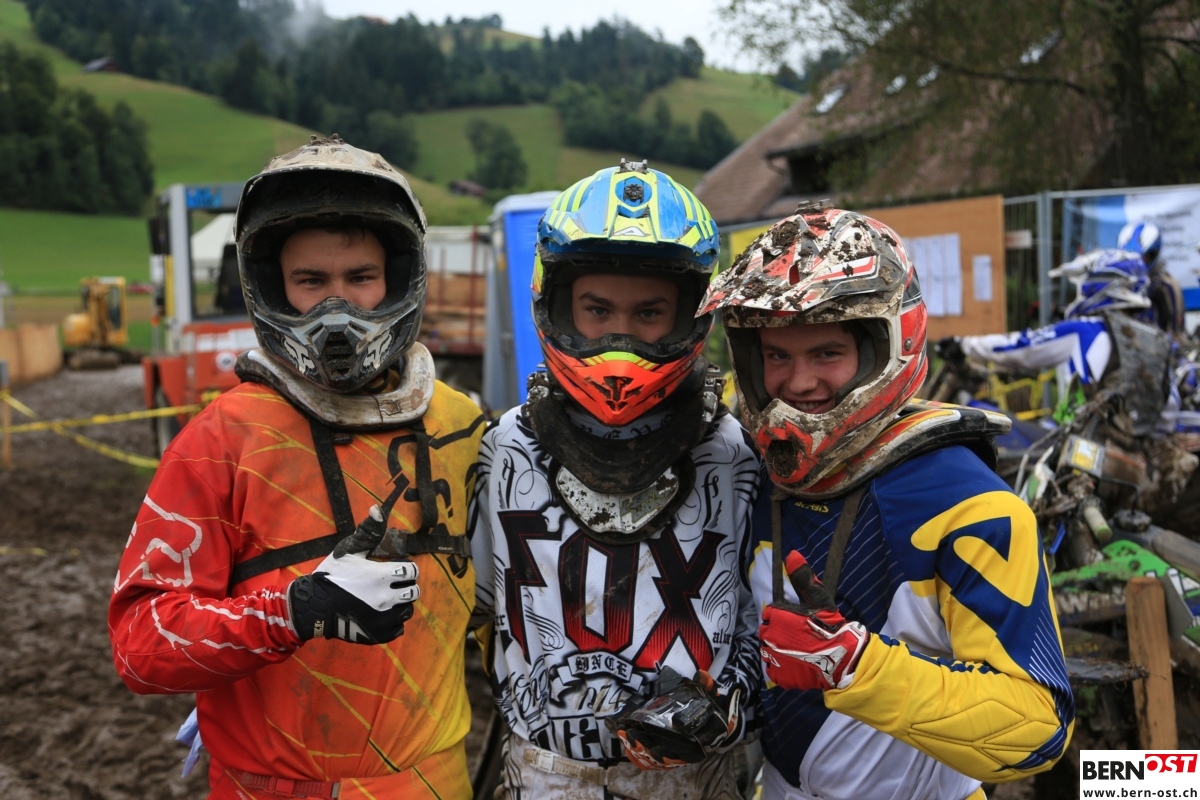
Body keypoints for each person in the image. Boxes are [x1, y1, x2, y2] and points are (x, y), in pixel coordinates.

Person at [108, 135, 486, 800]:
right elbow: (140, 645)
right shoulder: (220, 441)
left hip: (432, 783)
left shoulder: (461, 424)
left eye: (360, 278)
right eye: (311, 281)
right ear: (272, 286)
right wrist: (288, 613)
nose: (338, 307)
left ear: (398, 277)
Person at [698, 202, 1074, 800]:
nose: (798, 382)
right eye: (776, 355)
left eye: (827, 353)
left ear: (887, 345)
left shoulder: (967, 504)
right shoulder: (758, 476)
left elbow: (1040, 725)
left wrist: (859, 669)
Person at [468, 160, 762, 799]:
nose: (621, 337)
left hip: (693, 775)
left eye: (650, 312)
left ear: (690, 315)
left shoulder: (732, 452)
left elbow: (761, 621)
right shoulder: (506, 448)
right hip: (543, 773)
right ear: (557, 304)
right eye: (597, 310)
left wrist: (729, 708)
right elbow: (471, 613)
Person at [1117, 221, 1186, 337]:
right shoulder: (1114, 282)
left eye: (1143, 257)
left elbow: (1176, 334)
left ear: (1153, 255)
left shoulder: (1166, 286)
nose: (1137, 264)